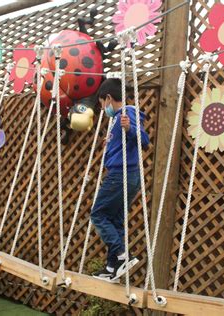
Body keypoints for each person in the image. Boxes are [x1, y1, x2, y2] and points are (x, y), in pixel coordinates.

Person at [91, 79, 149, 283]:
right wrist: (112, 140)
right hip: (124, 174)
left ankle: (122, 256)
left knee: (98, 214)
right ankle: (112, 266)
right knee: (114, 220)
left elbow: (144, 140)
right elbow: (125, 142)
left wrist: (128, 129)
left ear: (108, 98)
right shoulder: (116, 118)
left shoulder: (127, 112)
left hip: (121, 174)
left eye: (101, 103)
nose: (102, 108)